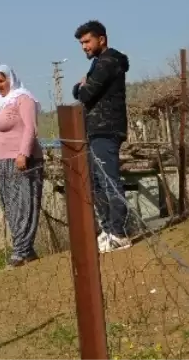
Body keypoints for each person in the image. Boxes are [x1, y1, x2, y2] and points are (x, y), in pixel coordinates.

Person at [72, 20, 132, 253]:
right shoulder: (100, 63)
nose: (84, 47)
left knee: (109, 180)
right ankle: (108, 231)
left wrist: (79, 87)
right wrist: (82, 87)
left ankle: (119, 232)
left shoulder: (108, 62)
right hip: (95, 131)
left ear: (102, 39)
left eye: (87, 41)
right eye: (81, 43)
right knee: (97, 183)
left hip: (106, 129)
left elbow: (86, 93)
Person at [0, 64, 43, 267]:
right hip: (3, 161)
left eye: (2, 80)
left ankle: (20, 250)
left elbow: (30, 128)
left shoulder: (23, 98)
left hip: (23, 160)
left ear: (11, 79)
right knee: (9, 204)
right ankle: (26, 249)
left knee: (24, 204)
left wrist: (23, 153)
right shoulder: (0, 102)